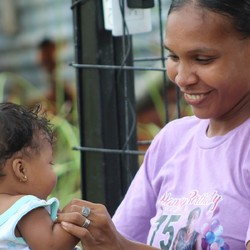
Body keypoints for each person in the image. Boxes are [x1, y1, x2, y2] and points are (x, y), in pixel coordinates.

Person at [58, 0, 250, 249]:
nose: (182, 78)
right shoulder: (172, 140)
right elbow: (123, 239)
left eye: (203, 59)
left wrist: (119, 246)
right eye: (172, 56)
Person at [0, 102, 81, 249]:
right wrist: (77, 221)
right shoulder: (26, 206)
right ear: (21, 170)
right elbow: (51, 246)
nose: (53, 169)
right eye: (50, 163)